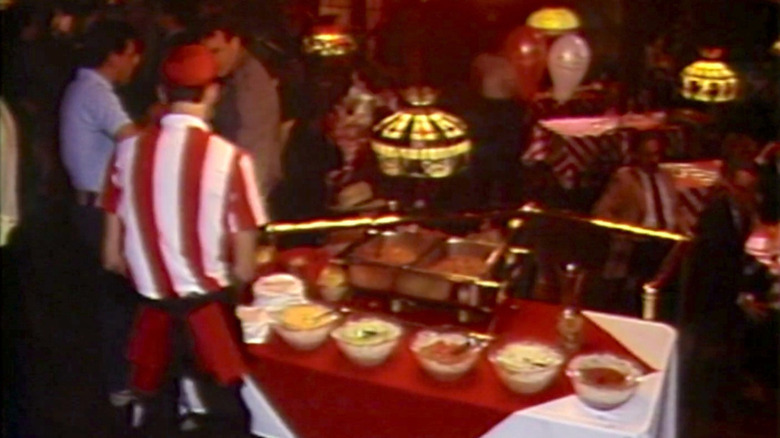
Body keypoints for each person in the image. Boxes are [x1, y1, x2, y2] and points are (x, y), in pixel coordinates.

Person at [100, 44, 267, 434]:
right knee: (231, 418)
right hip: (208, 316)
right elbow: (244, 266)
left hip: (152, 312)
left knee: (157, 416)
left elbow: (111, 257)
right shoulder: (231, 159)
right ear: (213, 92)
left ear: (161, 93)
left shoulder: (126, 153)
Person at [58, 18, 143, 408]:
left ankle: (112, 382)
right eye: (132, 55)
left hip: (84, 206)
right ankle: (120, 385)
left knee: (104, 301)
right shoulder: (96, 92)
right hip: (97, 211)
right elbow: (132, 140)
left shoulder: (80, 88)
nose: (135, 64)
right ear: (116, 54)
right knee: (118, 303)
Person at [199, 15, 283, 206]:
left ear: (235, 43)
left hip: (248, 188)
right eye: (206, 54)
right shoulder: (233, 76)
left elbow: (255, 145)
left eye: (216, 51)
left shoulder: (250, 83)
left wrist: (245, 199)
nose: (211, 60)